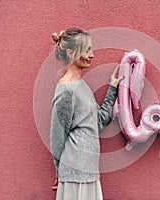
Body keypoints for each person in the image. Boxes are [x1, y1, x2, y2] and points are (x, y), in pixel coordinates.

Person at [49, 28, 124, 200]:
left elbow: (99, 121)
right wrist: (59, 172)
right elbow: (57, 137)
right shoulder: (66, 90)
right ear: (70, 53)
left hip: (89, 172)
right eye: (87, 50)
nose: (92, 55)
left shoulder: (81, 85)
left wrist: (112, 88)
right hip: (75, 176)